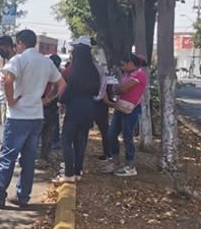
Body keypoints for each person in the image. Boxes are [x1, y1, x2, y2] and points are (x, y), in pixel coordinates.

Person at [0, 30, 66, 208]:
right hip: (36, 115)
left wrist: (11, 101)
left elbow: (8, 80)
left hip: (18, 115)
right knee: (28, 159)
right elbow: (62, 84)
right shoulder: (45, 61)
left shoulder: (19, 59)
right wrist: (48, 99)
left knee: (7, 156)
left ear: (20, 43)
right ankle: (23, 196)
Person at [52, 44, 100, 184]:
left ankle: (68, 173)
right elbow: (97, 91)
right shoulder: (93, 71)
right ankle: (78, 172)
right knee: (81, 142)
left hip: (75, 108)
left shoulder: (76, 71)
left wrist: (61, 100)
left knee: (66, 140)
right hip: (89, 107)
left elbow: (69, 90)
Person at [100, 53, 148, 177]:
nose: (122, 66)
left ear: (132, 63)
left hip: (131, 109)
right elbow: (120, 88)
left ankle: (130, 165)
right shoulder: (127, 74)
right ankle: (115, 161)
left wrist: (112, 89)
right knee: (111, 134)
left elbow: (123, 89)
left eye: (124, 64)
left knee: (127, 136)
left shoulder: (139, 75)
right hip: (121, 107)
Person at [36, 54, 62, 168]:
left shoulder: (46, 73)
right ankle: (43, 158)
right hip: (51, 108)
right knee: (47, 134)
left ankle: (36, 157)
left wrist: (46, 99)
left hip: (44, 107)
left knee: (38, 133)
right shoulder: (58, 74)